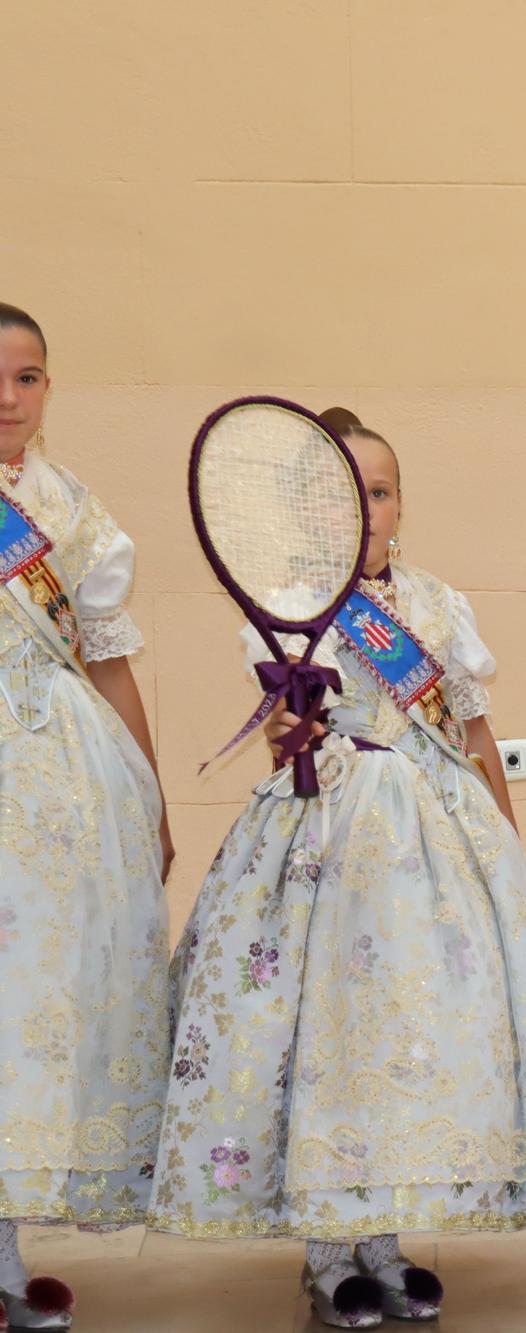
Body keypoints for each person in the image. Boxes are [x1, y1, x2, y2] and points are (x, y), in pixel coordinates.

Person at [146, 408, 526, 1329]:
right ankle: (328, 1250)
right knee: (329, 1034)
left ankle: (384, 1244)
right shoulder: (293, 606)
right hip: (327, 840)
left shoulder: (437, 604)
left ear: (399, 505)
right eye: (344, 496)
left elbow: (470, 728)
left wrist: (506, 840)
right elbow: (281, 740)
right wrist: (285, 727)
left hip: (436, 835)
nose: (366, 511)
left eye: (379, 492)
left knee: (411, 1034)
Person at [0, 302, 170, 1332]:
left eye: (27, 378)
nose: (7, 398)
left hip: (67, 784)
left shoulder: (76, 512)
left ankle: (8, 1255)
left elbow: (107, 662)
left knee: (35, 1011)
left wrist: (147, 796)